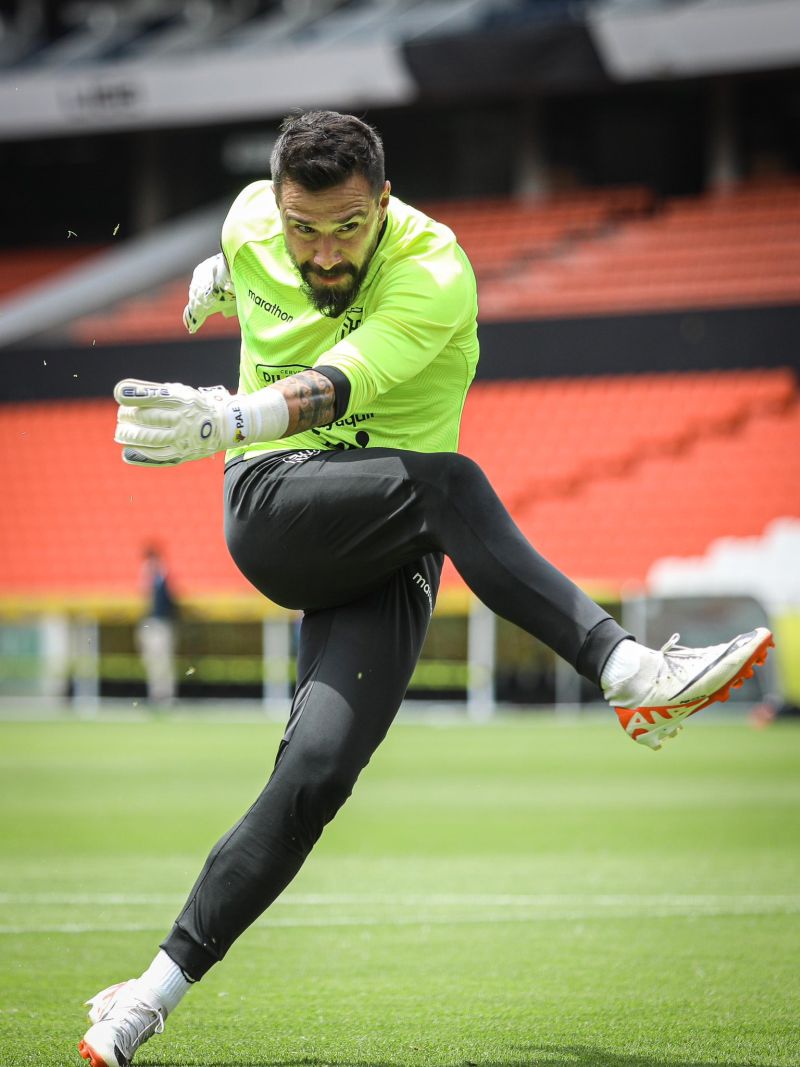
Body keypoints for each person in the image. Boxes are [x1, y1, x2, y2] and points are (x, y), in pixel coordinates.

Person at [78, 110, 773, 1067]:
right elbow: (245, 243)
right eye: (301, 229)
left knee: (316, 774)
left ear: (387, 206)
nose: (322, 253)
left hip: (387, 532)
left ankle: (143, 1000)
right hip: (277, 504)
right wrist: (225, 271)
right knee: (452, 482)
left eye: (346, 228)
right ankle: (624, 667)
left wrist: (229, 414)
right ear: (276, 209)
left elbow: (335, 385)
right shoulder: (252, 220)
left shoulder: (436, 270)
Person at [136, 545, 178, 705]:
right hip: (150, 624)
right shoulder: (149, 579)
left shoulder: (163, 578)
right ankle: (155, 695)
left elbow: (169, 601)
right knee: (151, 661)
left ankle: (166, 696)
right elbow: (143, 598)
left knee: (163, 661)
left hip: (161, 624)